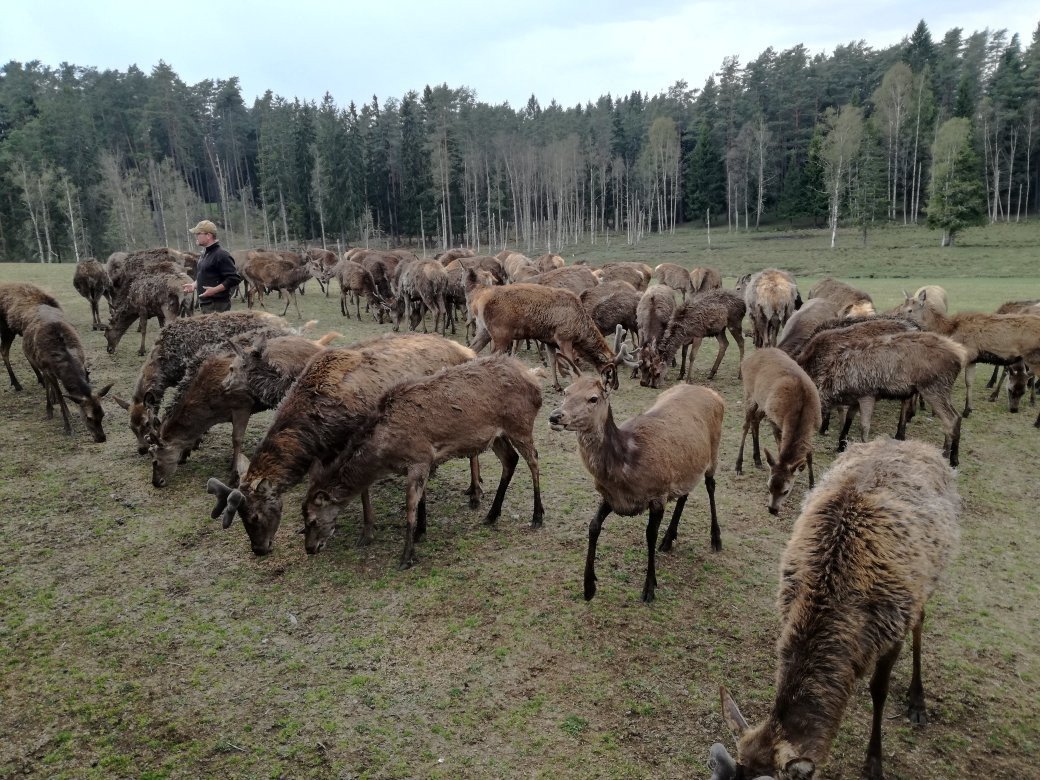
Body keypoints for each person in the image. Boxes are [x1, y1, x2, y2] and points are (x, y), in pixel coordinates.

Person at [184, 220, 241, 313]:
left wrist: (214, 290)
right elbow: (205, 275)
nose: (196, 236)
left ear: (208, 235)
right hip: (207, 304)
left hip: (217, 306)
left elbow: (234, 278)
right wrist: (193, 285)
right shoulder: (205, 254)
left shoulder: (221, 255)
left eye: (198, 233)